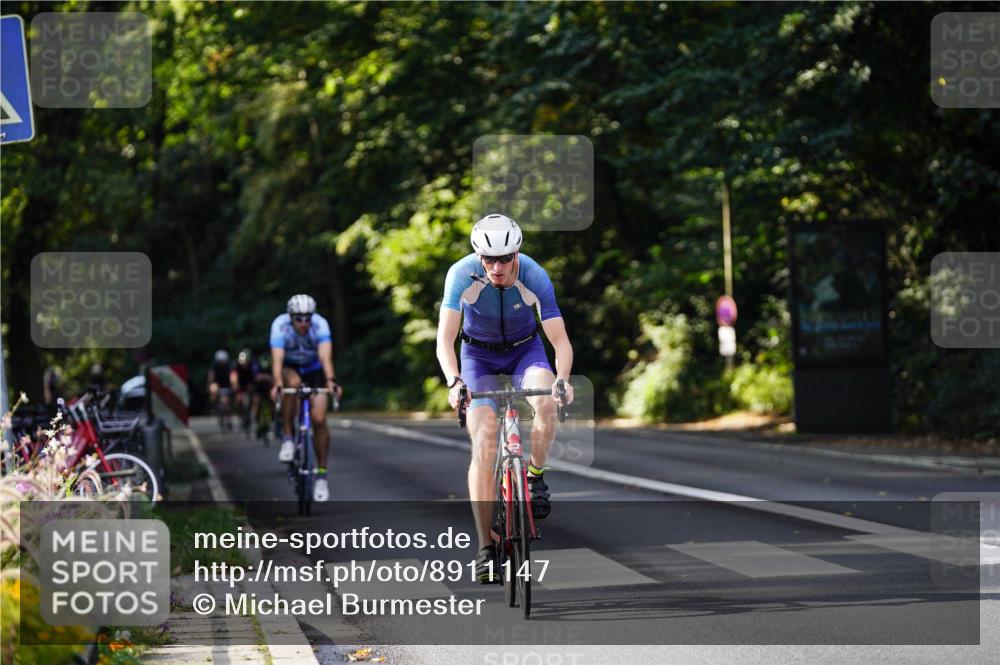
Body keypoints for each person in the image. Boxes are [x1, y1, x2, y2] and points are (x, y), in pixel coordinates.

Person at [436, 213, 574, 583]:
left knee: (545, 400)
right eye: (488, 259)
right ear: (478, 257)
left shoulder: (534, 275)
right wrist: (454, 381)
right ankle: (484, 547)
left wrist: (562, 379)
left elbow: (558, 339)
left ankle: (534, 476)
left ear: (517, 254)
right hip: (476, 356)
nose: (496, 268)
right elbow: (444, 339)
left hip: (524, 351)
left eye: (504, 259)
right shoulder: (461, 275)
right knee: (483, 441)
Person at [269, 294, 343, 502]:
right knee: (290, 384)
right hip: (290, 369)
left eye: (307, 318)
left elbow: (325, 357)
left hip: (314, 370)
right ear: (290, 317)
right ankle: (287, 438)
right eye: (299, 318)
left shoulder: (320, 325)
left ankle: (321, 474)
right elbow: (277, 359)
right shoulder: (280, 325)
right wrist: (277, 384)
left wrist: (331, 381)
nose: (304, 323)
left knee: (319, 420)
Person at [231, 348, 258, 434]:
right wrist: (235, 385)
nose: (243, 365)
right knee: (238, 400)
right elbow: (233, 375)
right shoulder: (236, 365)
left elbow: (256, 377)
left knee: (255, 399)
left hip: (251, 384)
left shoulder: (253, 366)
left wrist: (253, 385)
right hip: (241, 384)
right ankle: (240, 415)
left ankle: (253, 415)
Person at [208, 350, 233, 431]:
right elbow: (211, 376)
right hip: (218, 385)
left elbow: (233, 377)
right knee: (213, 389)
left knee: (227, 404)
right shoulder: (214, 366)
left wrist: (234, 386)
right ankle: (214, 405)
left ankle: (229, 420)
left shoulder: (229, 366)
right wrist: (210, 385)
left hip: (227, 386)